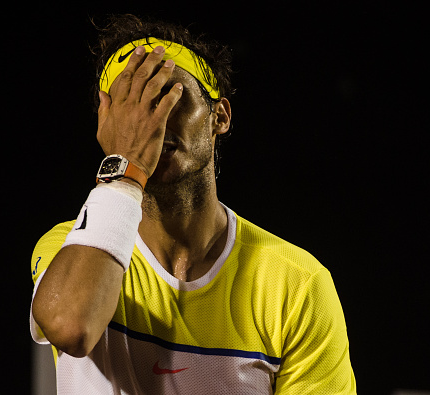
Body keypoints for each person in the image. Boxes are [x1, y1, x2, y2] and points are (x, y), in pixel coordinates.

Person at [30, 14, 356, 394]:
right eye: (134, 107)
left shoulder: (297, 285)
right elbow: (71, 327)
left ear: (220, 116)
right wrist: (127, 166)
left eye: (173, 97)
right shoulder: (70, 247)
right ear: (109, 125)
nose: (155, 122)